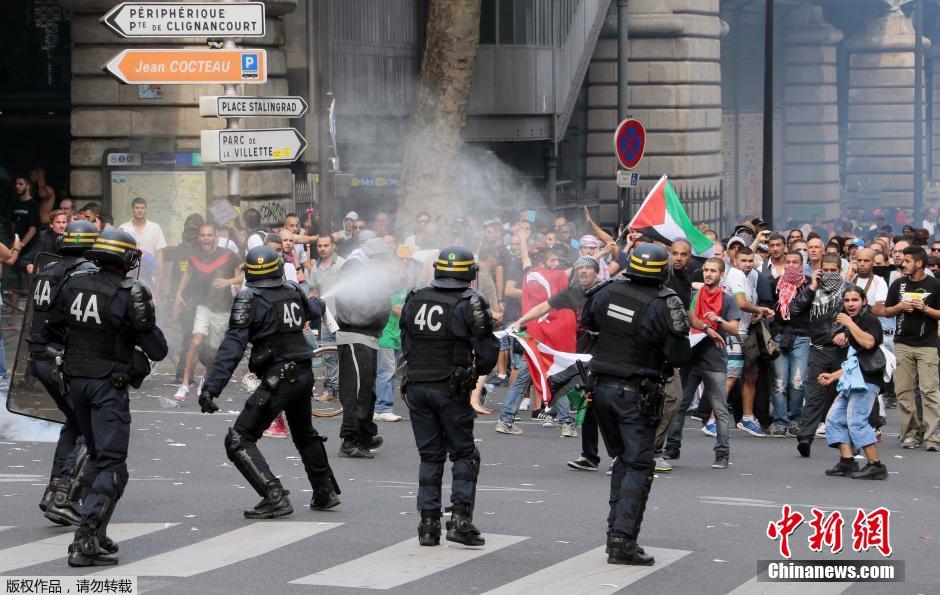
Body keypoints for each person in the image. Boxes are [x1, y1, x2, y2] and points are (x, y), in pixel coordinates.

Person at [44, 228, 168, 566]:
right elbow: (157, 348)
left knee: (97, 456)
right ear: (126, 259)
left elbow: (52, 325)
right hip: (107, 385)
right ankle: (85, 541)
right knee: (112, 465)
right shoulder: (130, 291)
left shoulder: (73, 283)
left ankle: (94, 531)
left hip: (75, 381)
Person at [197, 246, 341, 518]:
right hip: (303, 374)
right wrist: (319, 305)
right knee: (304, 433)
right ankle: (325, 492)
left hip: (279, 378)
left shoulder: (248, 298)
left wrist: (211, 387)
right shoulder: (293, 290)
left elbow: (232, 346)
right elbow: (310, 309)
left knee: (239, 439)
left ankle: (274, 496)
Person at [581, 243, 691, 565]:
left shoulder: (606, 291)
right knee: (638, 465)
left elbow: (589, 322)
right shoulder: (665, 302)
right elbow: (679, 355)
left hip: (601, 387)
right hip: (636, 392)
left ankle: (615, 534)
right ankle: (622, 541)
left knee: (623, 461)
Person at [399, 247, 500, 548]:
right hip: (450, 387)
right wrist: (473, 373)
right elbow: (487, 353)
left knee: (430, 455)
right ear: (470, 273)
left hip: (417, 384)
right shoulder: (471, 301)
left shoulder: (416, 296)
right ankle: (460, 521)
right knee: (464, 453)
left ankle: (428, 525)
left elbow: (406, 343)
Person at [26, 220, 99, 526]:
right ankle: (64, 496)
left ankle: (54, 491)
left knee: (74, 422)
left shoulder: (49, 270)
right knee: (91, 425)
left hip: (40, 357)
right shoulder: (84, 274)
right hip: (63, 360)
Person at [664, 257, 739, 469]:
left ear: (722, 275)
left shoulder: (728, 300)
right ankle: (672, 446)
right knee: (680, 404)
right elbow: (685, 317)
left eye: (713, 271)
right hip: (691, 357)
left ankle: (722, 453)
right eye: (706, 270)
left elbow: (735, 329)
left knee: (720, 410)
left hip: (714, 361)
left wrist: (719, 320)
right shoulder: (694, 296)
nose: (708, 274)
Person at [333, 237, 397, 458]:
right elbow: (357, 309)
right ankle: (350, 441)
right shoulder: (355, 268)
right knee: (356, 392)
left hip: (366, 337)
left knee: (367, 391)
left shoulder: (364, 269)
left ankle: (365, 435)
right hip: (355, 337)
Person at [818, 285, 888, 480]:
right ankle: (847, 461)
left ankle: (876, 465)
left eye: (855, 300)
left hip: (867, 380)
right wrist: (834, 375)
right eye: (847, 300)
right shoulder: (855, 322)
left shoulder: (869, 320)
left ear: (864, 301)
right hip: (853, 379)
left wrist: (849, 323)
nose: (850, 304)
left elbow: (869, 343)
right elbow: (856, 359)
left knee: (857, 421)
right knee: (833, 419)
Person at [877, 245, 940, 451]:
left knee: (929, 391)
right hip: (902, 344)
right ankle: (910, 434)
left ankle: (932, 437)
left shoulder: (935, 285)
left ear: (919, 263)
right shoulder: (898, 284)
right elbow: (886, 311)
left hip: (928, 345)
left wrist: (926, 308)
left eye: (907, 261)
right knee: (904, 391)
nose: (902, 264)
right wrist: (900, 307)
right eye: (902, 260)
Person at [172, 224, 241, 402]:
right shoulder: (194, 255)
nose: (206, 238)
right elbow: (187, 274)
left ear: (215, 237)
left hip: (223, 308)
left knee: (212, 351)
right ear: (199, 237)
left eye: (209, 235)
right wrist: (179, 294)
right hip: (203, 306)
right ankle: (185, 385)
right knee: (196, 341)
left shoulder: (228, 255)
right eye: (203, 235)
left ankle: (205, 377)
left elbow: (242, 275)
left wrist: (229, 282)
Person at [791, 254, 848, 457]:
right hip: (819, 349)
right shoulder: (813, 290)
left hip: (843, 351)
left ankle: (849, 440)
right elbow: (794, 309)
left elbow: (861, 316)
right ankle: (805, 438)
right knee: (814, 395)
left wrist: (847, 333)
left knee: (845, 395)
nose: (830, 274)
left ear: (840, 271)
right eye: (826, 271)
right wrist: (812, 287)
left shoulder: (848, 291)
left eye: (834, 271)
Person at [118, 197, 167, 285]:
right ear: (132, 209)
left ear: (146, 209)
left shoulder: (155, 228)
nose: (140, 211)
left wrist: (159, 277)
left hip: (150, 277)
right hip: (128, 276)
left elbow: (159, 254)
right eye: (137, 208)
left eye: (142, 208)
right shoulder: (124, 228)